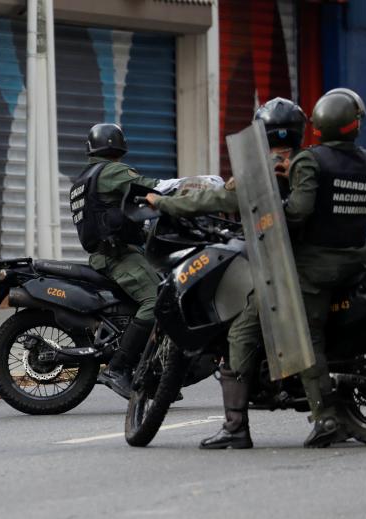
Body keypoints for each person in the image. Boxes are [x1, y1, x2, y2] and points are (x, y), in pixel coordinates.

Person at [145, 98, 307, 449]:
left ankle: (235, 428)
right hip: (317, 267)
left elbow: (211, 200)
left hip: (278, 271)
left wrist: (164, 203)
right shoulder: (312, 166)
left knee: (240, 333)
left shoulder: (260, 174)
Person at [285, 88, 366, 448]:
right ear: (353, 125)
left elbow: (297, 211)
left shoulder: (309, 161)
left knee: (306, 336)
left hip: (316, 267)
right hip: (358, 260)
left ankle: (324, 416)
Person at [69, 123, 161, 398]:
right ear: (119, 146)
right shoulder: (112, 171)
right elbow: (152, 188)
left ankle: (150, 372)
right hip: (119, 256)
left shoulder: (82, 180)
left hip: (103, 254)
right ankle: (119, 368)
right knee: (157, 302)